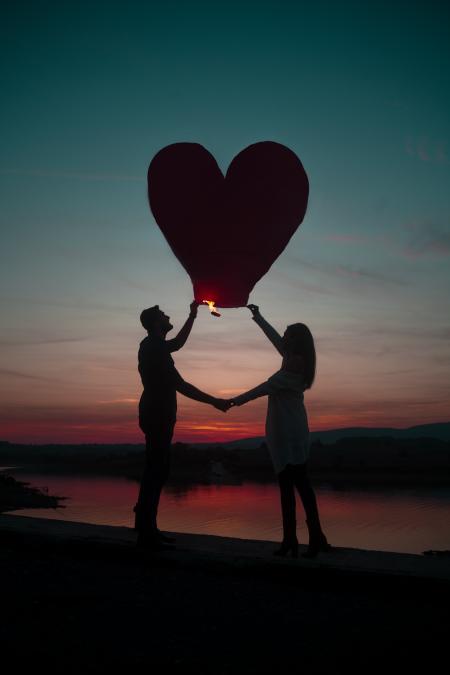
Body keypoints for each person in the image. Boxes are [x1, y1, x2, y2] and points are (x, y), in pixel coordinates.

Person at [229, 304, 331, 559]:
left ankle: (302, 539)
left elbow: (267, 386)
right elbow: (274, 337)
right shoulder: (291, 356)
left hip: (289, 429)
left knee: (295, 484)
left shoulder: (296, 362)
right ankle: (299, 539)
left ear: (296, 339)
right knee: (293, 484)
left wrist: (233, 401)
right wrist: (257, 316)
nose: (283, 337)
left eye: (287, 334)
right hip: (284, 426)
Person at [135, 301, 229, 550]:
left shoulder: (153, 345)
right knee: (157, 470)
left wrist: (192, 315)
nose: (168, 316)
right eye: (164, 315)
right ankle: (146, 529)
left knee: (156, 469)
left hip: (156, 412)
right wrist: (214, 401)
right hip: (158, 413)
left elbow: (177, 343)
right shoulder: (153, 347)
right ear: (157, 323)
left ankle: (146, 525)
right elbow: (181, 384)